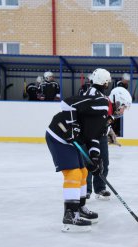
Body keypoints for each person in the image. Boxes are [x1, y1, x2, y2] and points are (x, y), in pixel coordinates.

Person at [45, 68, 111, 232]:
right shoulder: (101, 104)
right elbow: (67, 103)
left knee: (83, 171)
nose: (124, 111)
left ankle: (79, 208)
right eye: (124, 107)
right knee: (73, 173)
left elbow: (93, 137)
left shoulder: (104, 115)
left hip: (70, 139)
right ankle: (70, 215)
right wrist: (73, 126)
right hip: (59, 136)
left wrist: (95, 158)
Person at [83, 69, 114, 200]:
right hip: (90, 134)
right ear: (103, 82)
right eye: (107, 82)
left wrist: (109, 125)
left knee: (104, 162)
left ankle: (100, 188)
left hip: (100, 133)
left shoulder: (101, 95)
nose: (108, 85)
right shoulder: (92, 94)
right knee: (90, 162)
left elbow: (103, 117)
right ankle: (87, 189)